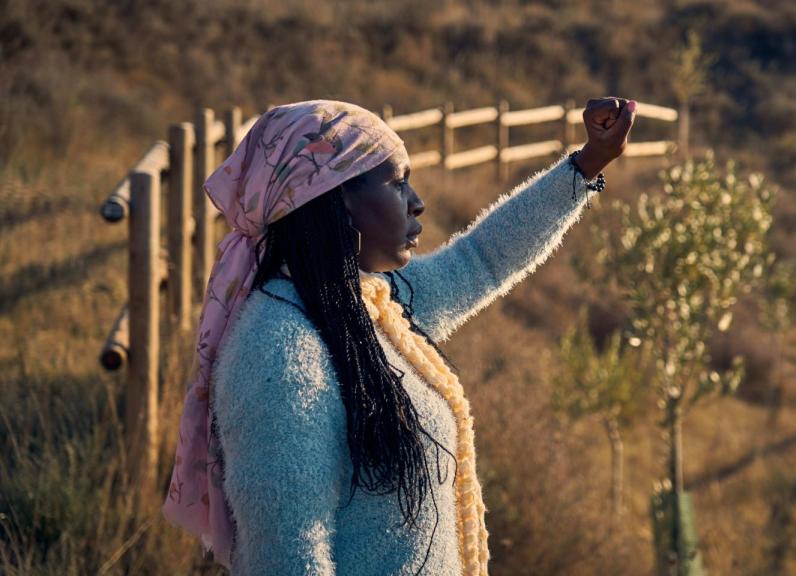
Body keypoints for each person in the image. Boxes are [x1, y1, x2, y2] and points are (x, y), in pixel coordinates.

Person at [162, 96, 637, 575]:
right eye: (396, 182)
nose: (417, 201)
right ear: (334, 198)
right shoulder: (279, 352)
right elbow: (289, 560)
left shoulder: (361, 307)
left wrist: (587, 164)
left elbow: (482, 260)